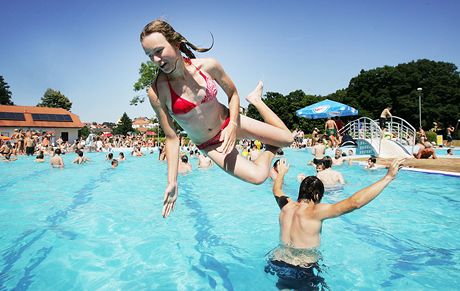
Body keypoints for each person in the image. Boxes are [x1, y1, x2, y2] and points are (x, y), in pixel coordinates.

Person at [141, 19, 293, 217]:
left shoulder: (208, 66)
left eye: (159, 51)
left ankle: (256, 100)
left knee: (289, 139)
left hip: (230, 121)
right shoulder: (157, 91)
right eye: (149, 55)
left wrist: (233, 126)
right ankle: (270, 149)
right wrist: (172, 181)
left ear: (176, 43)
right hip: (210, 144)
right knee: (258, 177)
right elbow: (171, 137)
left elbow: (233, 95)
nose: (155, 60)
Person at [267, 158, 404, 288]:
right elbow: (354, 202)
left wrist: (282, 173)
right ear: (316, 196)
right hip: (302, 267)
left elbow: (276, 190)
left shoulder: (286, 206)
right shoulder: (315, 211)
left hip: (278, 261)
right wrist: (388, 177)